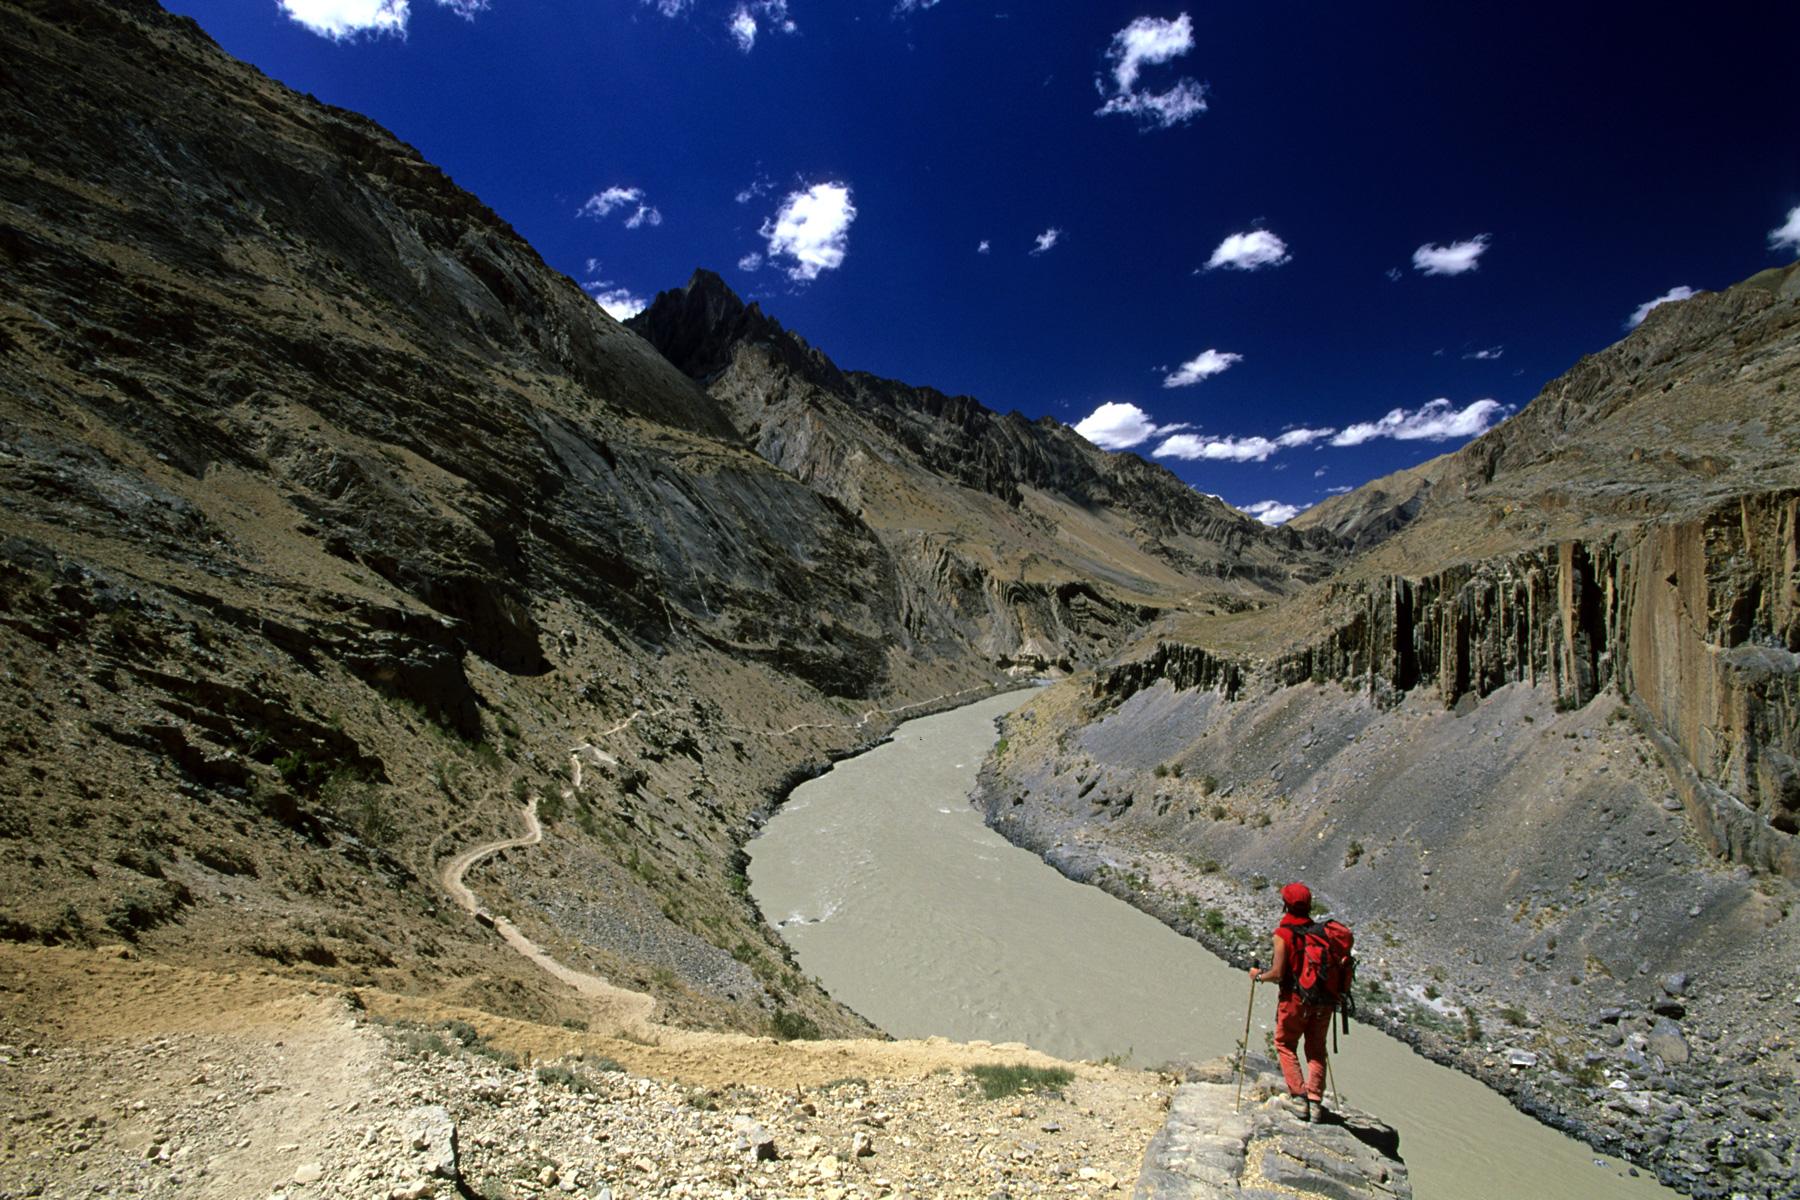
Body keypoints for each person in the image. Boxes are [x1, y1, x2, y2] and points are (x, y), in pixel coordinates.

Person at [1248, 881, 1330, 1122]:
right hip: (1323, 1002)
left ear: (1286, 905)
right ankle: (1315, 1102)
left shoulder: (1283, 934)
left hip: (1295, 1000)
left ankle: (1298, 1098)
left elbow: (1278, 973)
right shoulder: (1321, 933)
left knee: (1284, 1043)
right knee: (1316, 1049)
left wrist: (1258, 976)